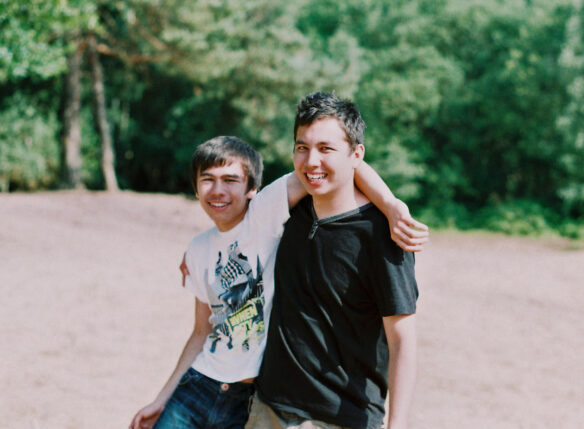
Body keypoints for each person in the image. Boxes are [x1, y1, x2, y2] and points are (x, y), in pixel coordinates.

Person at [129, 135, 428, 429]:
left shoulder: (265, 215)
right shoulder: (197, 249)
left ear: (252, 190)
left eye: (231, 180)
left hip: (249, 397)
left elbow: (346, 163)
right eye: (207, 180)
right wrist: (161, 399)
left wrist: (390, 204)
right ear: (195, 188)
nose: (218, 190)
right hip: (197, 384)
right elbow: (200, 331)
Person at [247, 91, 420, 429]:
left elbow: (403, 340)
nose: (312, 161)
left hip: (343, 418)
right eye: (302, 147)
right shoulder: (288, 210)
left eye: (326, 148)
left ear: (357, 155)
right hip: (269, 409)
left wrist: (396, 426)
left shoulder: (383, 236)